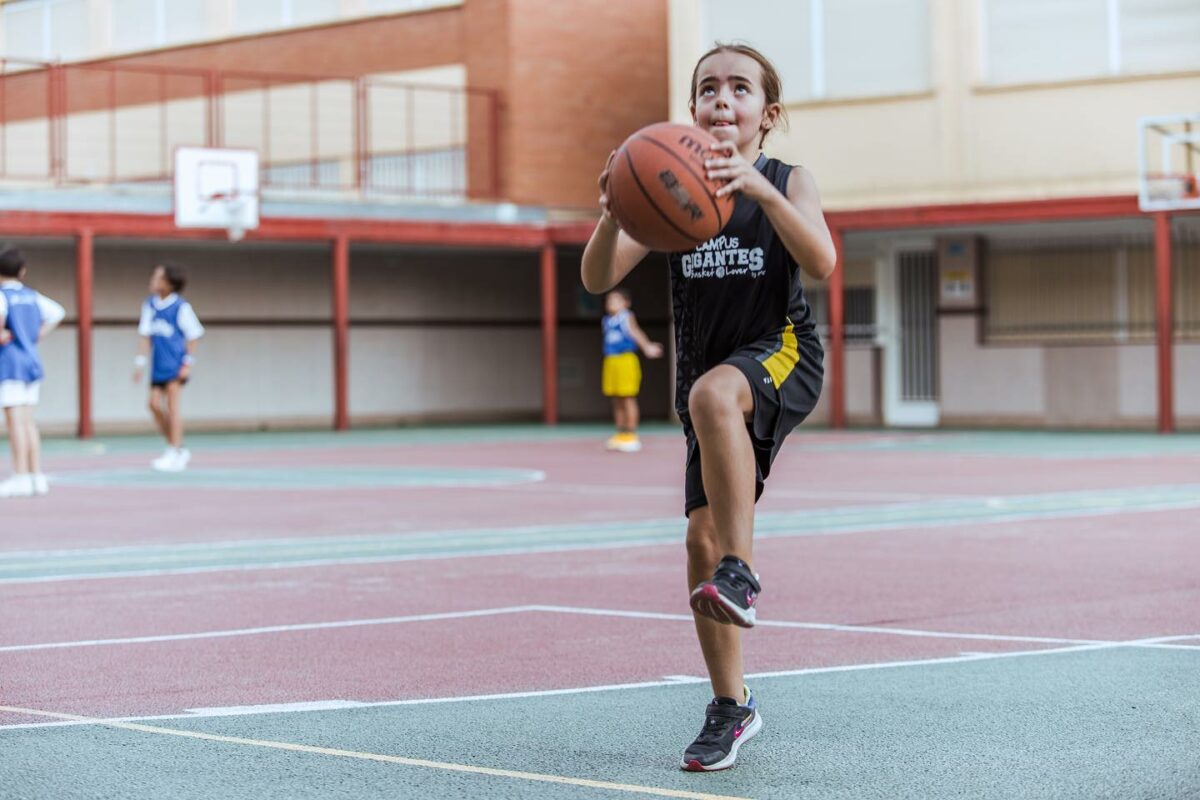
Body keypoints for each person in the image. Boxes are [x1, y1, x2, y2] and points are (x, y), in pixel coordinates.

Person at [581, 43, 837, 771]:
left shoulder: (788, 179)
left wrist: (761, 191)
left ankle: (742, 572)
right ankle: (733, 706)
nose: (722, 99)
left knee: (714, 394)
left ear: (768, 114)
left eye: (739, 88)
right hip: (707, 378)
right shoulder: (669, 183)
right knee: (698, 540)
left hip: (779, 353)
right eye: (707, 88)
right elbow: (599, 275)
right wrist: (611, 212)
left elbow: (819, 260)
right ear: (692, 108)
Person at [0, 246, 66, 498]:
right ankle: (36, 475)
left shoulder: (2, 295)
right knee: (28, 421)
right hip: (31, 360)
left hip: (10, 363)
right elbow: (57, 312)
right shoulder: (32, 296)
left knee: (15, 421)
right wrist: (35, 335)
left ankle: (19, 476)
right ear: (23, 271)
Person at [133, 262, 204, 472]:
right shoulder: (150, 305)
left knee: (173, 408)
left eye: (158, 277)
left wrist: (187, 364)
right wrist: (140, 362)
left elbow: (194, 336)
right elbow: (145, 336)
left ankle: (174, 450)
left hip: (175, 364)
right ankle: (176, 446)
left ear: (169, 283)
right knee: (153, 404)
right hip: (158, 365)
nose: (153, 280)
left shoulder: (181, 307)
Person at [601, 287, 663, 452]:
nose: (611, 303)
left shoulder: (626, 317)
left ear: (626, 303)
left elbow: (636, 333)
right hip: (611, 361)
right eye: (609, 300)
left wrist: (647, 346)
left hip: (625, 359)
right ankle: (621, 433)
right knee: (616, 399)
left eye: (616, 300)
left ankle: (631, 434)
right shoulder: (606, 320)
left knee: (627, 397)